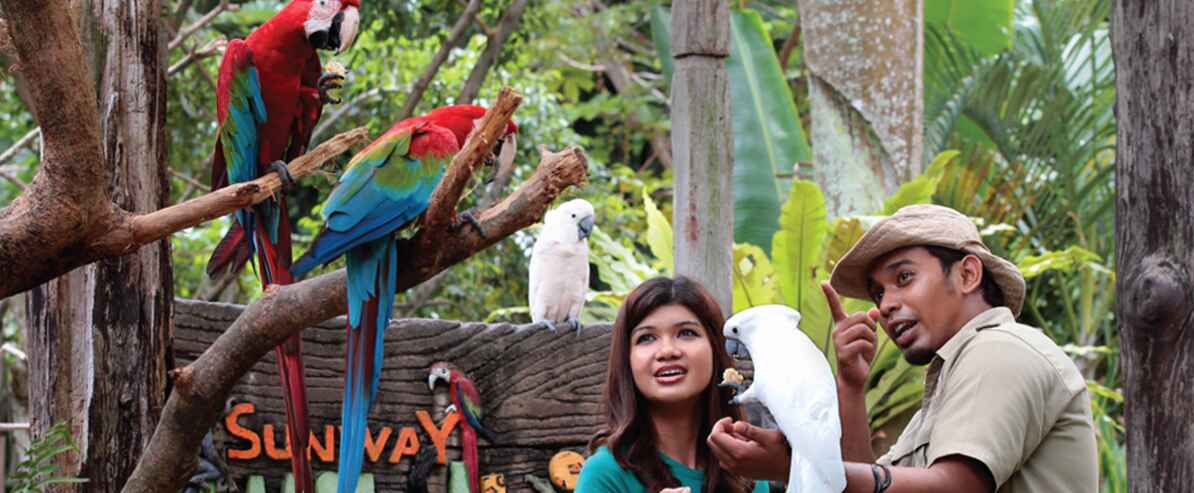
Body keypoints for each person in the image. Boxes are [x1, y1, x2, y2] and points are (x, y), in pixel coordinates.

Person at [707, 204, 1098, 492]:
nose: (886, 303)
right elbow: (873, 485)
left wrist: (799, 465)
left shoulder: (1000, 350)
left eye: (904, 277)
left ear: (967, 274)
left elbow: (957, 487)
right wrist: (851, 386)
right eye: (879, 292)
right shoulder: (952, 380)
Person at [576, 276, 768, 493]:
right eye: (647, 338)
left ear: (716, 350)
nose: (667, 351)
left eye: (686, 333)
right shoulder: (605, 475)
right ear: (627, 360)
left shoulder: (745, 471)